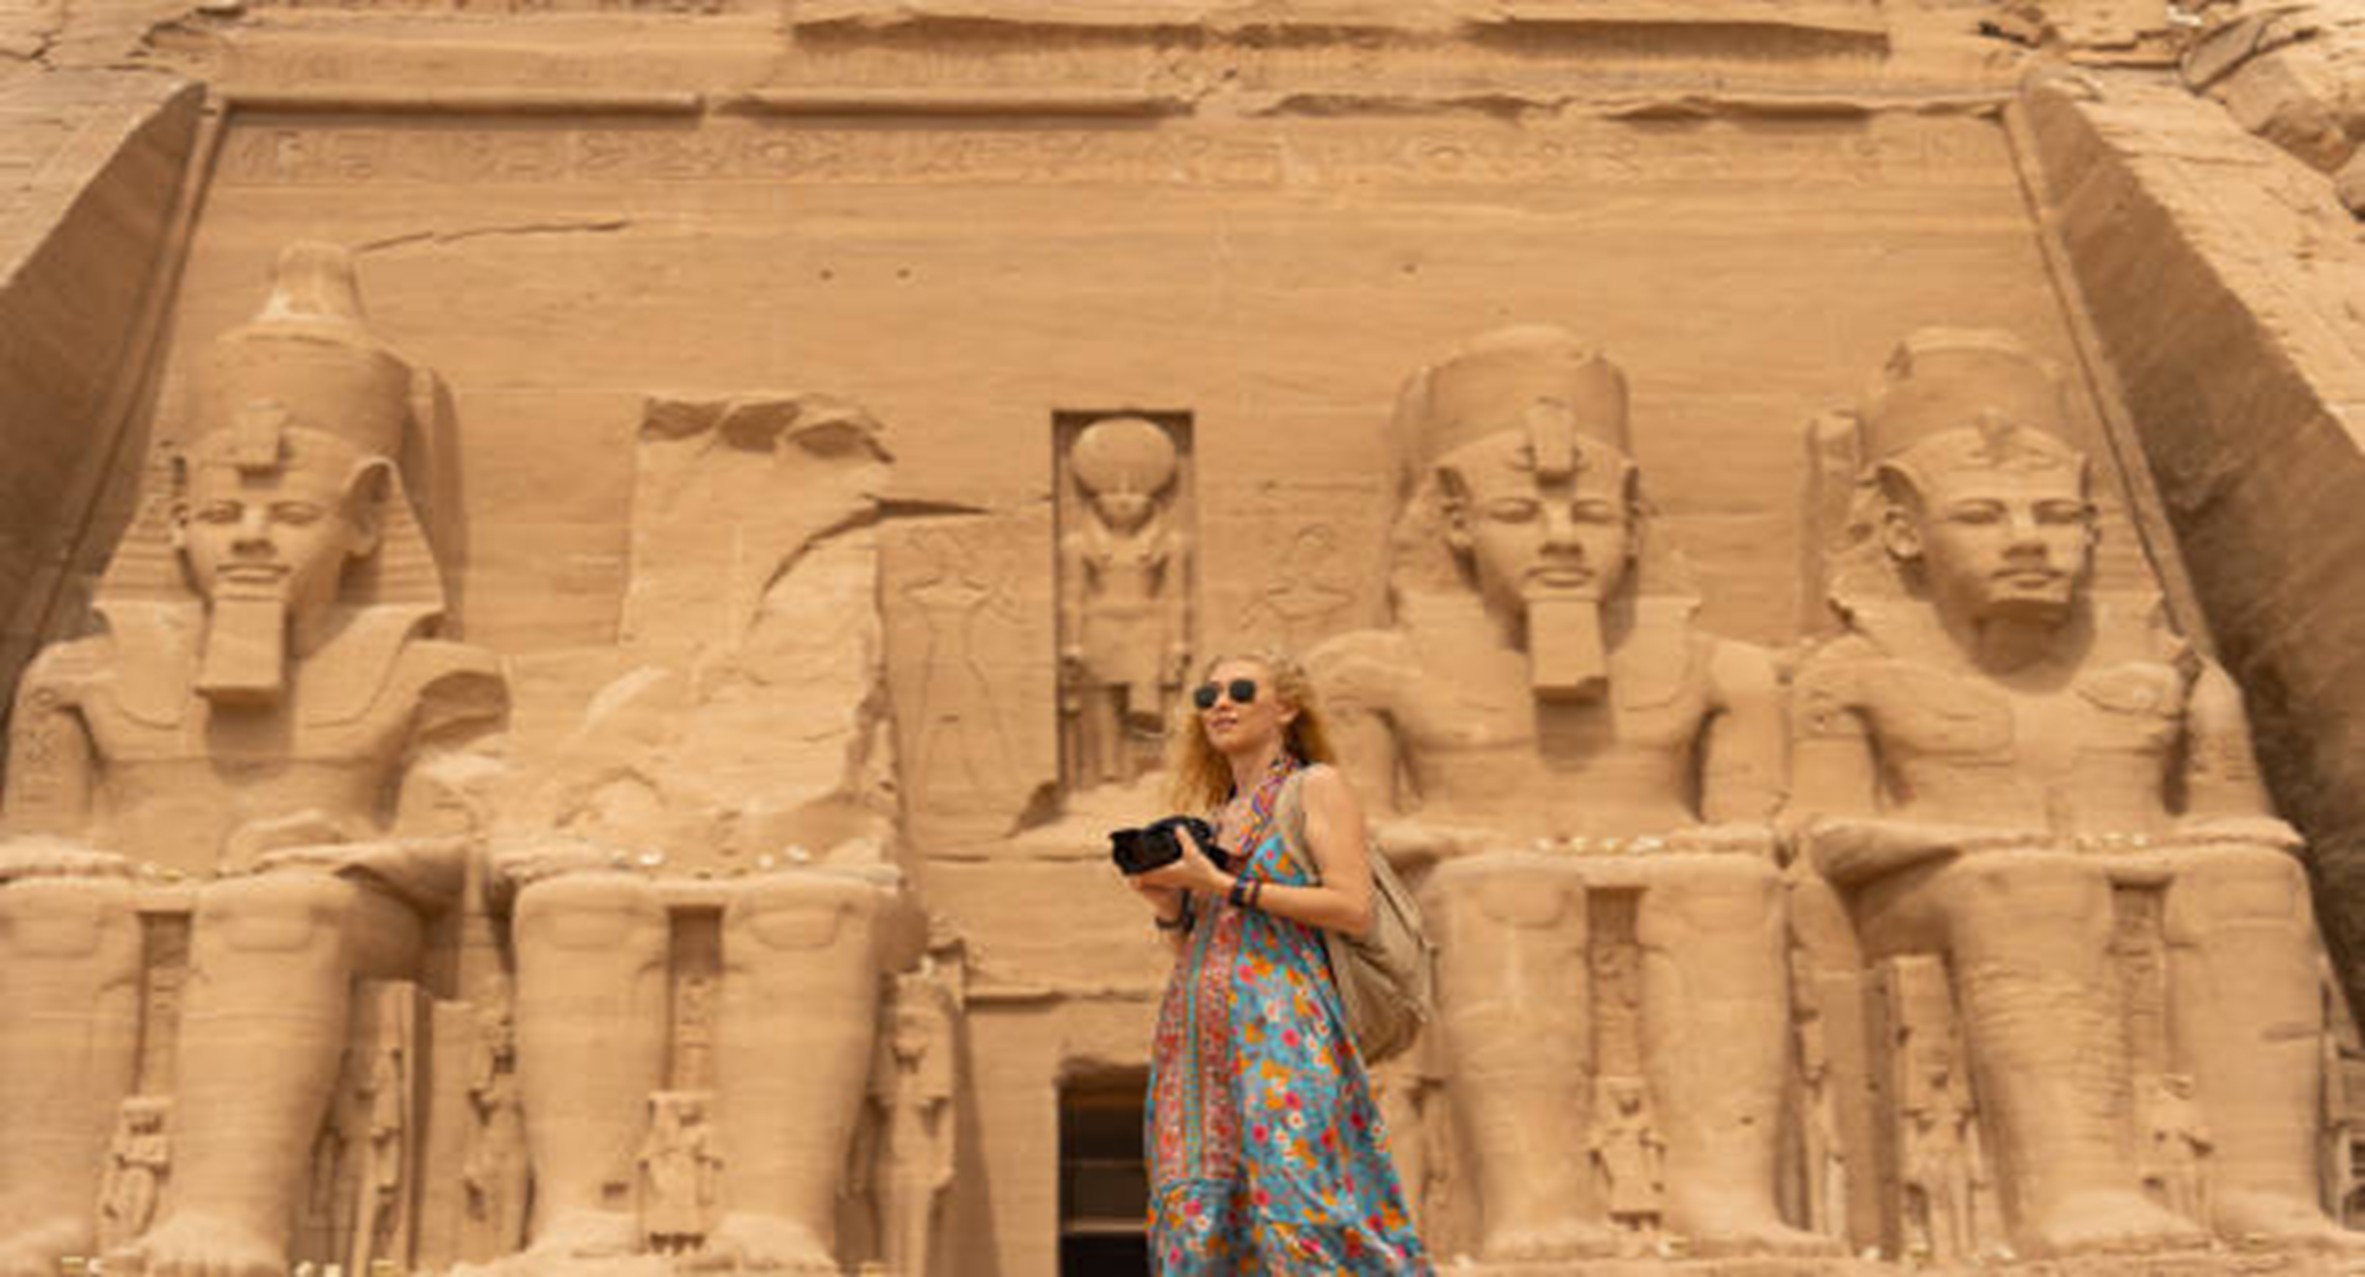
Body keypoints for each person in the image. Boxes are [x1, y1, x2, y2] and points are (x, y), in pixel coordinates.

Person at [1123, 649, 1430, 1273]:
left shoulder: (1313, 788)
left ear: (1286, 708)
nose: (1221, 704)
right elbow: (1199, 945)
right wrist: (1167, 907)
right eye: (1208, 696)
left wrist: (1224, 884)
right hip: (1196, 1040)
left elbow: (1352, 907)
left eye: (1240, 691)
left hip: (1283, 1025)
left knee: (1303, 1205)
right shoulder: (1216, 817)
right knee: (1199, 1222)